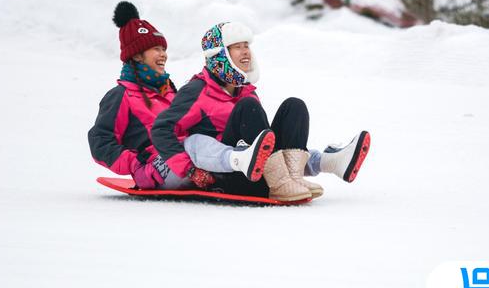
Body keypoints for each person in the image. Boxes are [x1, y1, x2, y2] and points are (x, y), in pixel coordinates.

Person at [151, 22, 371, 201]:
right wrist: (189, 171)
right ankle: (283, 182)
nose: (246, 51)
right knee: (248, 108)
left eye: (246, 45)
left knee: (294, 106)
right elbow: (161, 130)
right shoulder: (196, 91)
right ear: (219, 54)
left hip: (257, 170)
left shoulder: (245, 90)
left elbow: (262, 139)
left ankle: (294, 179)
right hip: (228, 177)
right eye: (237, 46)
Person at [88, 2, 271, 190]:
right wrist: (135, 163)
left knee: (200, 139)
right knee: (195, 142)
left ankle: (262, 166)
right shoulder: (121, 95)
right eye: (156, 50)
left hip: (186, 160)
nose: (163, 55)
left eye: (164, 49)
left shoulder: (169, 92)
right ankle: (240, 160)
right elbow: (100, 142)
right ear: (136, 56)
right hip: (156, 168)